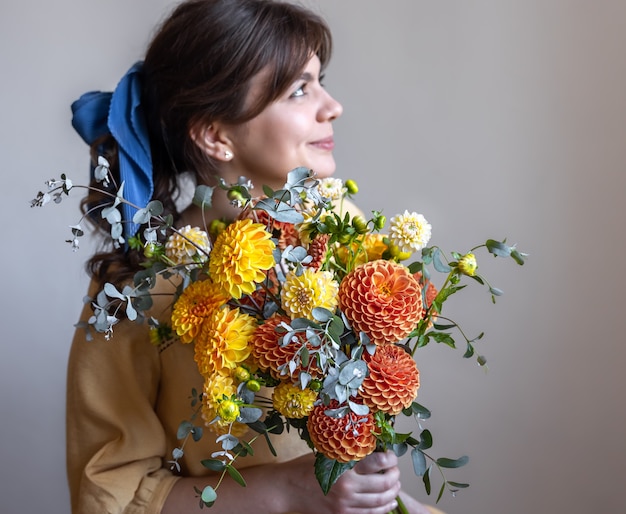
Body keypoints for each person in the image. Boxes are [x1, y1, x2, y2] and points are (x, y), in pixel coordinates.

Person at [66, 1, 446, 513]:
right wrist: (290, 491)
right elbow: (107, 493)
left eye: (320, 81)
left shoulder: (341, 225)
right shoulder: (136, 288)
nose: (332, 106)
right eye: (298, 90)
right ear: (216, 135)